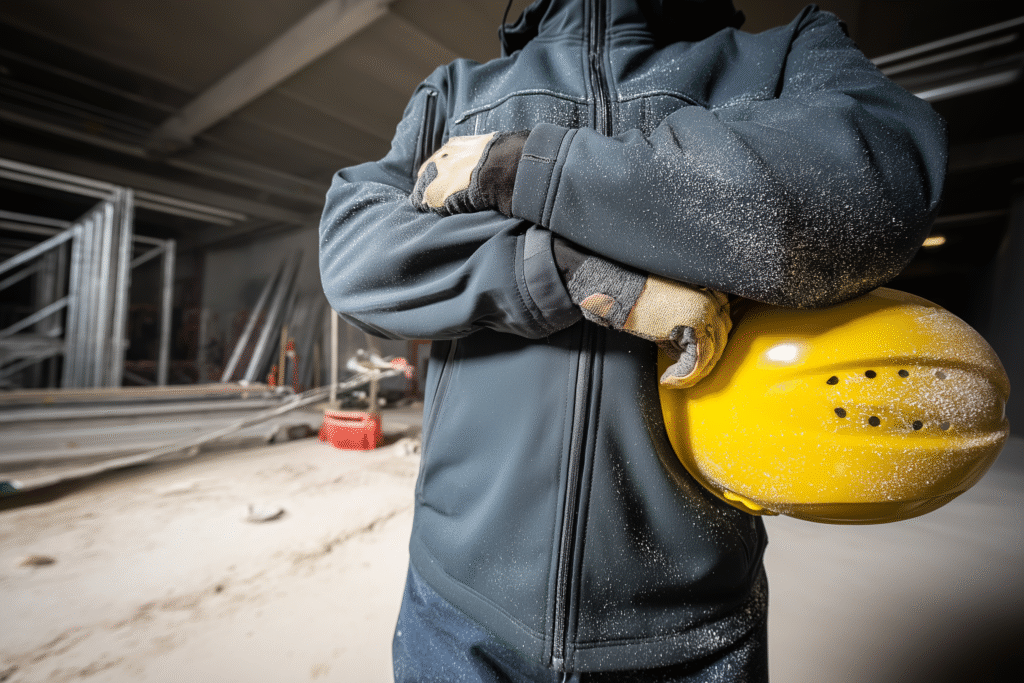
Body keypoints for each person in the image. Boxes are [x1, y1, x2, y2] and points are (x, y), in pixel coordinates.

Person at [318, 0, 947, 679]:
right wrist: (567, 271)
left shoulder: (783, 56)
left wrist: (525, 169)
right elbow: (357, 246)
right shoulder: (458, 91)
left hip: (689, 629)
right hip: (459, 608)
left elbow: (873, 177)